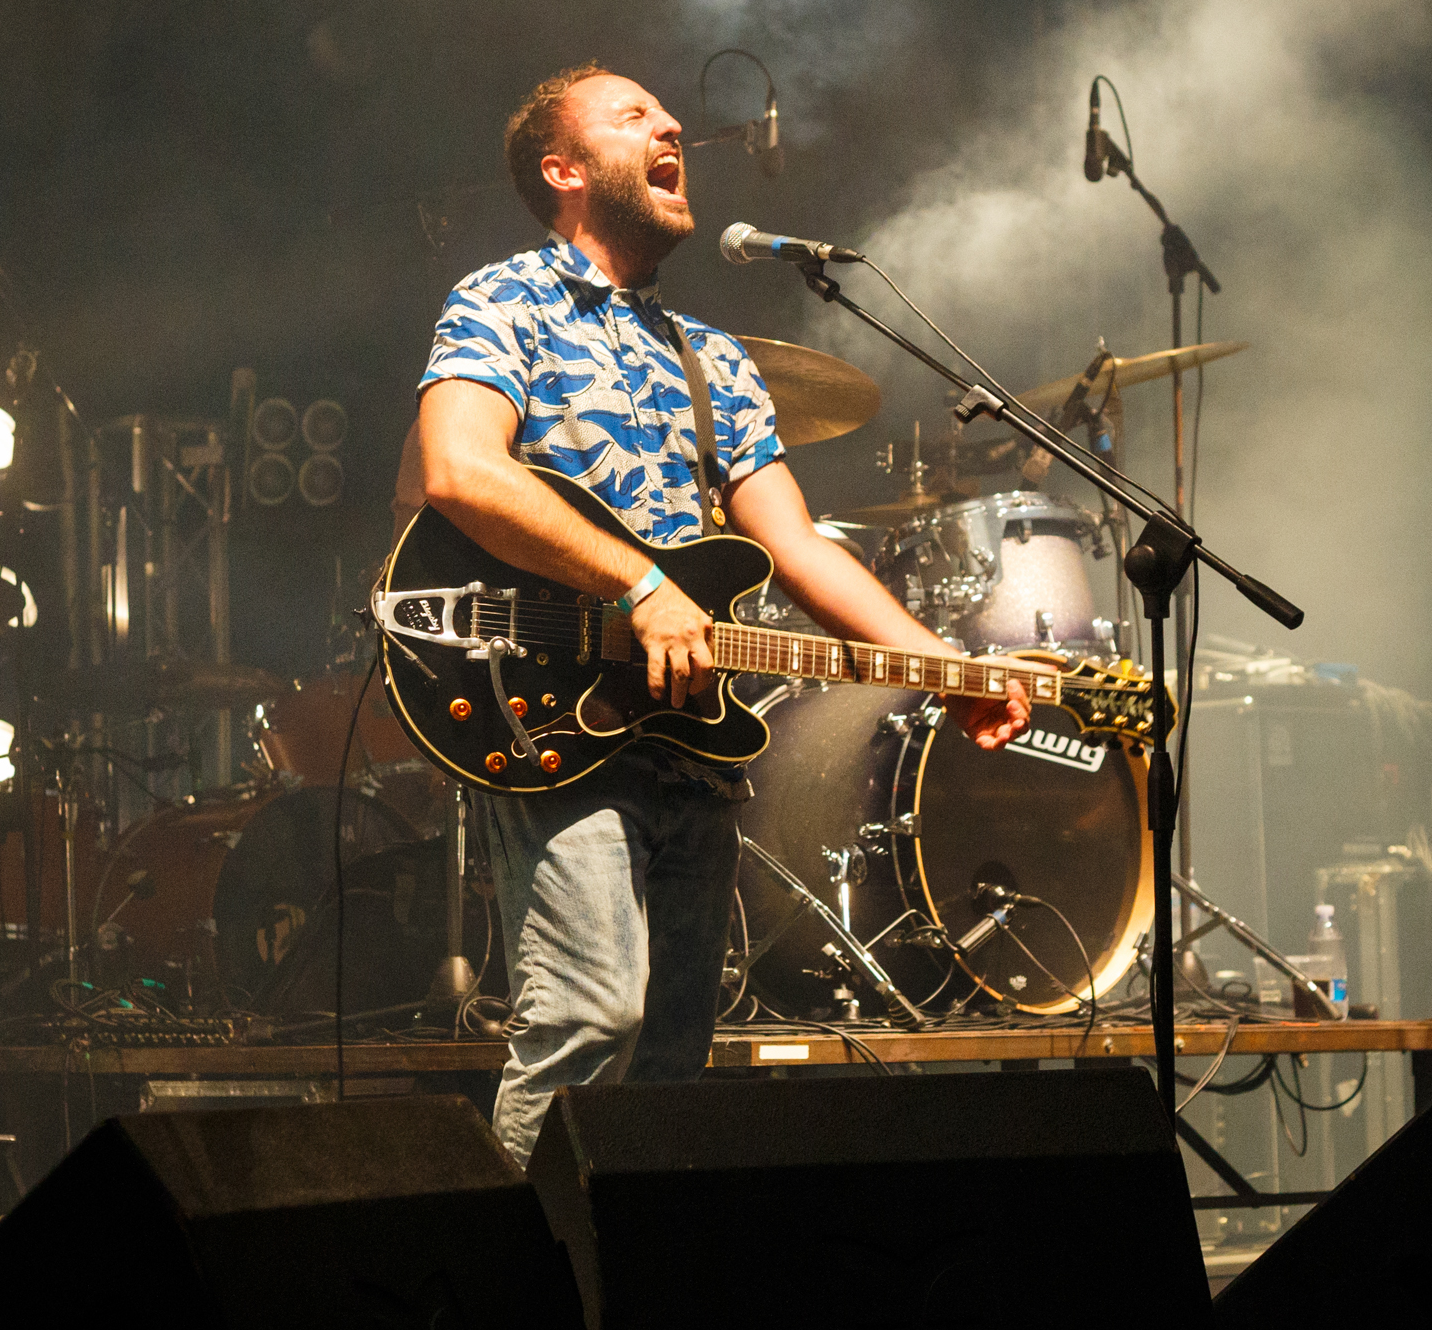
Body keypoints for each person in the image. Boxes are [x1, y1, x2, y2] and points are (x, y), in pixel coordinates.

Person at [414, 62, 1031, 1165]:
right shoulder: (501, 302)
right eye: (633, 116)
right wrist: (642, 587)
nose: (672, 126)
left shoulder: (717, 363)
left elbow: (792, 549)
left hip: (687, 741)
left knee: (672, 1061)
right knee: (591, 1016)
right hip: (546, 710)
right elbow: (459, 473)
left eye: (667, 115)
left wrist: (946, 667)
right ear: (563, 170)